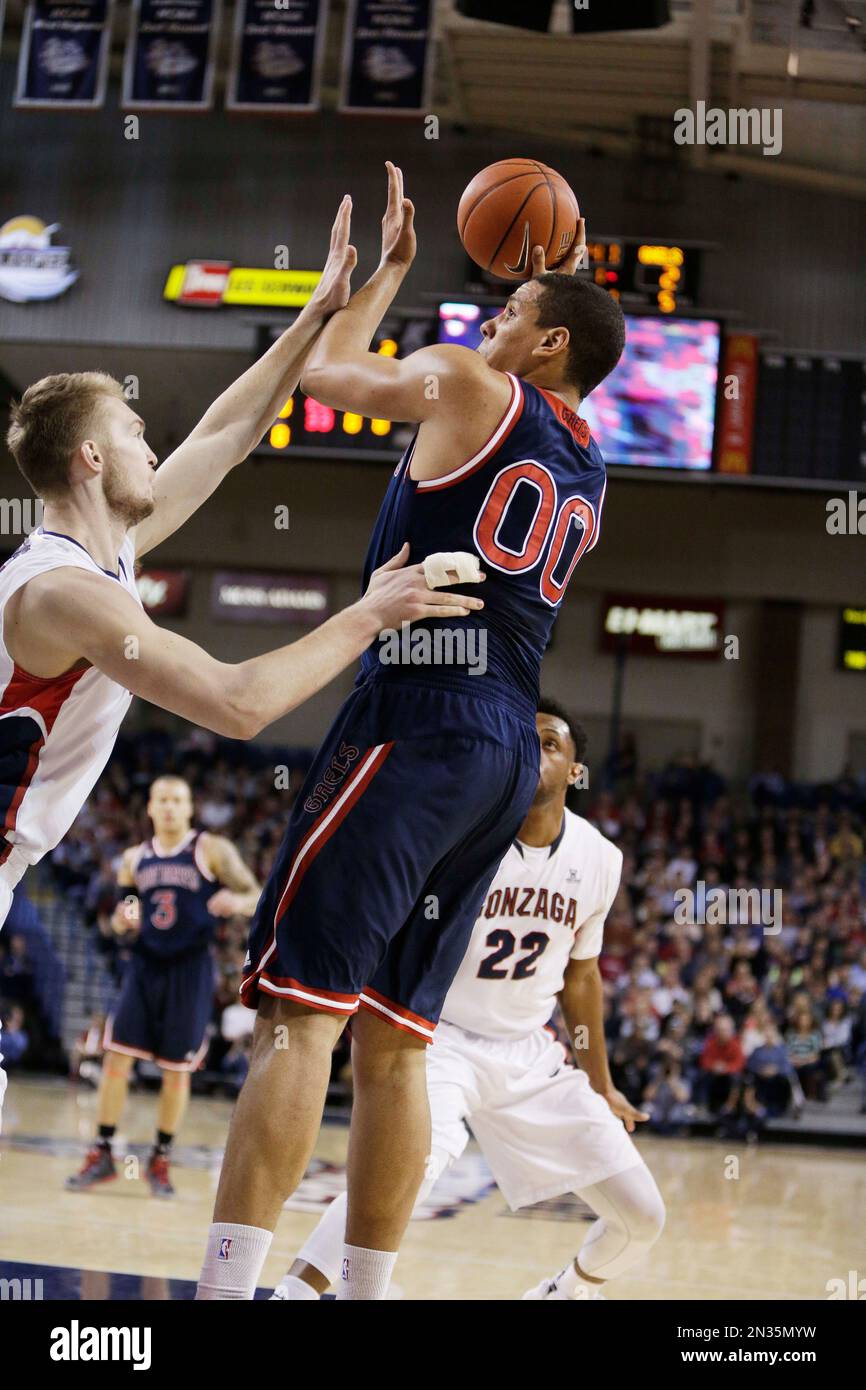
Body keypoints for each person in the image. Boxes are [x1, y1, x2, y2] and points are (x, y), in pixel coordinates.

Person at [197, 164, 626, 1301]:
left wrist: (380, 273)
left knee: (299, 1020)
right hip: (499, 747)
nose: (487, 320)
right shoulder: (586, 458)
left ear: (542, 348)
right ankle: (366, 1295)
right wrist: (558, 277)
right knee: (395, 1044)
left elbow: (328, 373)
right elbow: (570, 317)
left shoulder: (459, 382)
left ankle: (227, 1292)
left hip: (417, 711)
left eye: (506, 314)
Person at [0, 196, 477, 1125]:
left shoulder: (106, 553)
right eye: (136, 431)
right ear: (93, 458)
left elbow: (227, 436)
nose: (153, 442)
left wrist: (330, 306)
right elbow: (239, 702)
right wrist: (370, 614)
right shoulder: (67, 592)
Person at [270, 703, 663, 1302]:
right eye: (521, 740)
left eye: (551, 743)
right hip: (435, 1038)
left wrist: (602, 1085)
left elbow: (582, 979)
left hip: (528, 1052)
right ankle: (297, 1293)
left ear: (576, 772)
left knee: (642, 1216)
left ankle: (564, 1294)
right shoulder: (462, 833)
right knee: (405, 1169)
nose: (534, 750)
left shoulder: (601, 859)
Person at [66, 775, 260, 1196]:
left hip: (192, 969)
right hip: (144, 965)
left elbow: (255, 893)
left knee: (176, 1071)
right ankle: (101, 1153)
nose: (170, 807)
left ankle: (160, 1159)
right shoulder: (134, 859)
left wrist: (238, 902)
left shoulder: (211, 849)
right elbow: (124, 910)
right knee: (117, 1058)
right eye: (162, 800)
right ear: (150, 808)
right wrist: (120, 921)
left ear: (189, 808)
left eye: (177, 800)